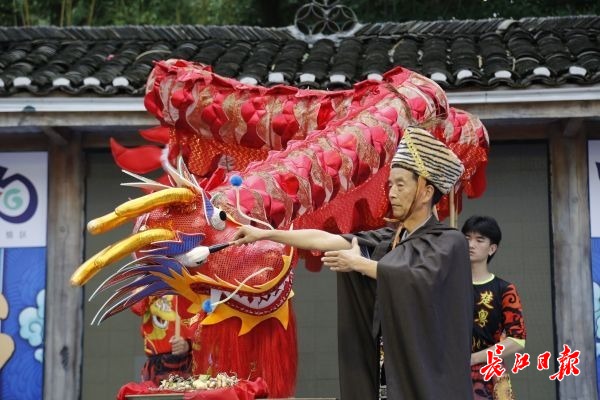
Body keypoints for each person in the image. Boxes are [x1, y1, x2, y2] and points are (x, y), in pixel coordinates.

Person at [233, 126, 474, 400]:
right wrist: (265, 234)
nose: (392, 193)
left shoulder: (449, 242)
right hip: (389, 371)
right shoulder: (390, 239)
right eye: (390, 185)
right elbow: (325, 240)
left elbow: (416, 278)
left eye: (401, 185)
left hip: (429, 377)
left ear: (426, 192)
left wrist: (360, 264)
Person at [461, 216, 527, 400]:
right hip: (451, 371)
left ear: (492, 248)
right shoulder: (448, 286)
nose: (471, 245)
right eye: (466, 238)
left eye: (479, 240)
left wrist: (473, 359)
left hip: (489, 374)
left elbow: (517, 340)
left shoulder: (504, 289)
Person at [131, 295, 195, 384]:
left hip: (188, 360)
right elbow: (137, 308)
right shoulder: (150, 289)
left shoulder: (191, 290)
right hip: (158, 363)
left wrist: (188, 345)